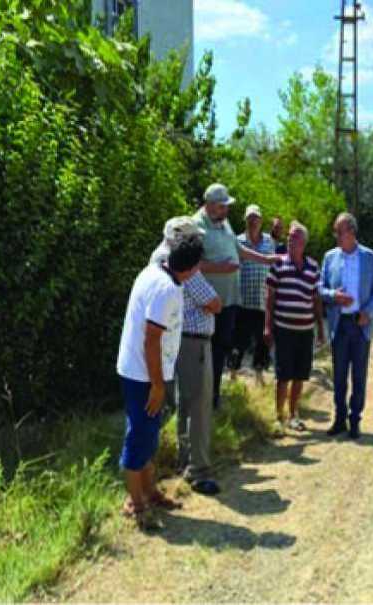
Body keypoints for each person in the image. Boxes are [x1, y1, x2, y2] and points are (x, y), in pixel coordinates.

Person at [116, 233, 204, 528]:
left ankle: (150, 492)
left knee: (149, 434)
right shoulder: (165, 288)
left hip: (146, 371)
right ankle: (136, 505)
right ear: (192, 268)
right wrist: (156, 385)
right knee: (139, 435)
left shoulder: (156, 270)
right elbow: (151, 340)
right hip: (143, 374)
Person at [151, 217, 223, 495]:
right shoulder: (183, 264)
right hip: (193, 343)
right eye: (194, 239)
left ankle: (185, 461)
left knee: (184, 405)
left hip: (177, 341)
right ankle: (199, 470)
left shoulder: (157, 258)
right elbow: (214, 303)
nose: (198, 245)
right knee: (198, 407)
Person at [193, 183, 276, 409]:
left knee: (220, 349)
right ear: (210, 205)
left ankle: (214, 397)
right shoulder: (197, 226)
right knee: (205, 351)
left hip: (228, 302)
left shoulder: (223, 223)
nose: (226, 211)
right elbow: (191, 265)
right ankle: (200, 399)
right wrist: (223, 269)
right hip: (207, 304)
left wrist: (264, 259)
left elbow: (238, 251)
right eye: (222, 207)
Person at [318, 212, 373, 440]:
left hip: (360, 323)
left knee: (359, 375)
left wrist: (368, 312)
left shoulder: (370, 257)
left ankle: (355, 420)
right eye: (335, 231)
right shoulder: (329, 257)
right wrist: (334, 295)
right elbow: (320, 288)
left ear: (352, 232)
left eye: (340, 231)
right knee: (339, 374)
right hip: (339, 323)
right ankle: (339, 418)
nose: (336, 235)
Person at [264, 221, 325, 437]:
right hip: (283, 329)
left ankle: (294, 415)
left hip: (305, 330)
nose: (290, 240)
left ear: (304, 242)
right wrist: (267, 326)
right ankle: (278, 417)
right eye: (289, 236)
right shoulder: (278, 265)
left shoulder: (313, 267)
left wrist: (320, 328)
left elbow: (316, 299)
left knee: (300, 375)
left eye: (295, 237)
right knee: (283, 375)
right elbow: (270, 298)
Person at [229, 204, 275, 383]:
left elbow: (272, 269)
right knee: (239, 340)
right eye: (250, 218)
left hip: (263, 301)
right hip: (243, 301)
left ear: (261, 221)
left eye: (256, 218)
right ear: (245, 220)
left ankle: (259, 374)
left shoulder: (269, 242)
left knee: (262, 341)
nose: (253, 221)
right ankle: (233, 372)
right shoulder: (237, 241)